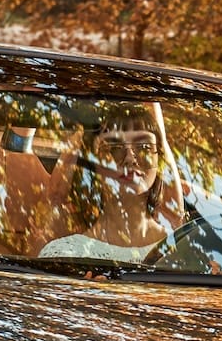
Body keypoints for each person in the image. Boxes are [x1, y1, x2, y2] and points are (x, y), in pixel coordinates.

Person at [38, 103, 178, 260]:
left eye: (144, 146)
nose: (130, 158)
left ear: (159, 157)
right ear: (94, 162)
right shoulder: (66, 255)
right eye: (114, 147)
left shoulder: (182, 251)